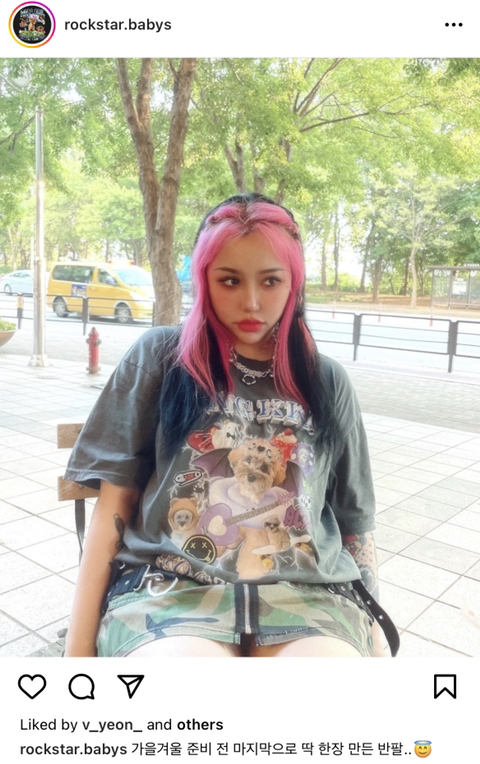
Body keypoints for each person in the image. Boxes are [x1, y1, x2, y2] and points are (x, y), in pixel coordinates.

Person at [63, 192, 398, 658]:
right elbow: (112, 506)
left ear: (294, 283)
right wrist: (76, 655)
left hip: (309, 597)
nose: (252, 302)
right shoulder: (161, 358)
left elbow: (355, 524)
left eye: (271, 280)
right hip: (171, 590)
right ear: (204, 281)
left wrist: (377, 642)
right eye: (230, 280)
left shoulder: (325, 380)